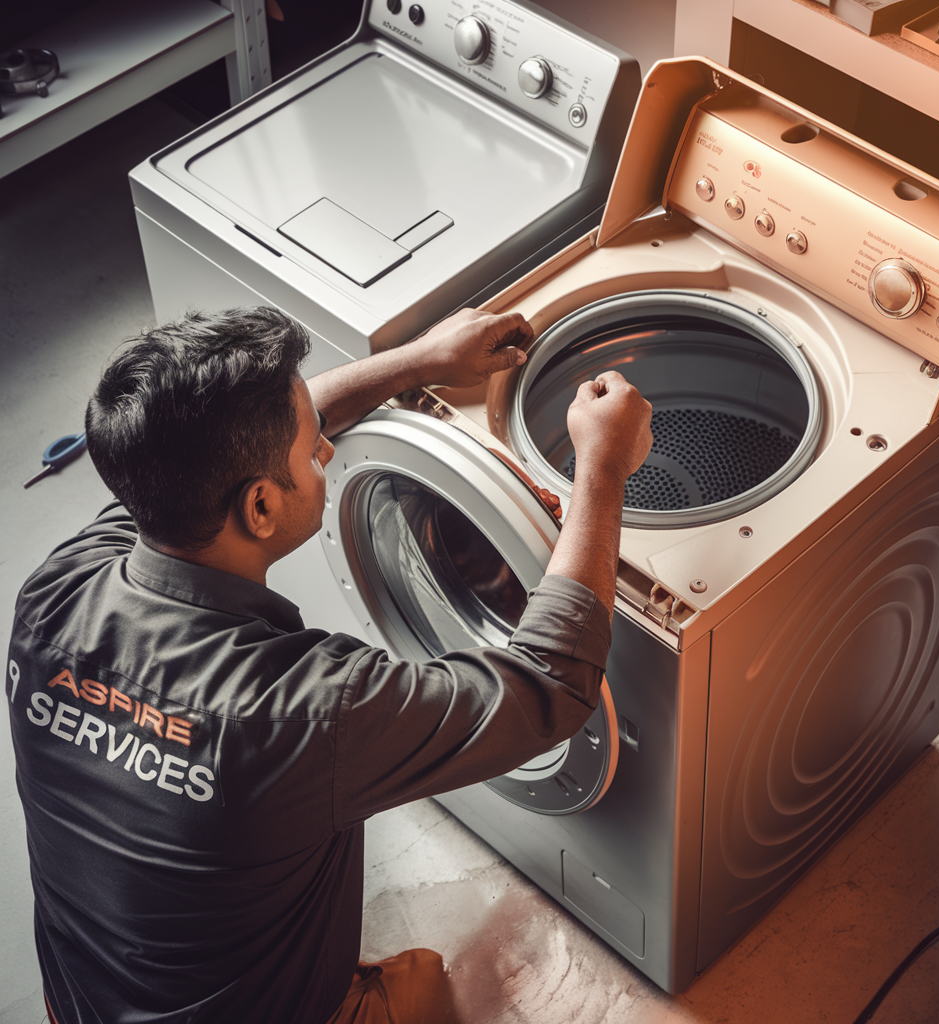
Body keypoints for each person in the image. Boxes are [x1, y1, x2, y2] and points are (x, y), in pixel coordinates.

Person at [6, 305, 653, 1024]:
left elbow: (251, 443)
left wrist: (420, 360)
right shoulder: (301, 713)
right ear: (259, 506)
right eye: (315, 451)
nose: (326, 453)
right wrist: (603, 468)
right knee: (432, 987)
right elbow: (551, 689)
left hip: (82, 1003)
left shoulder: (57, 589)